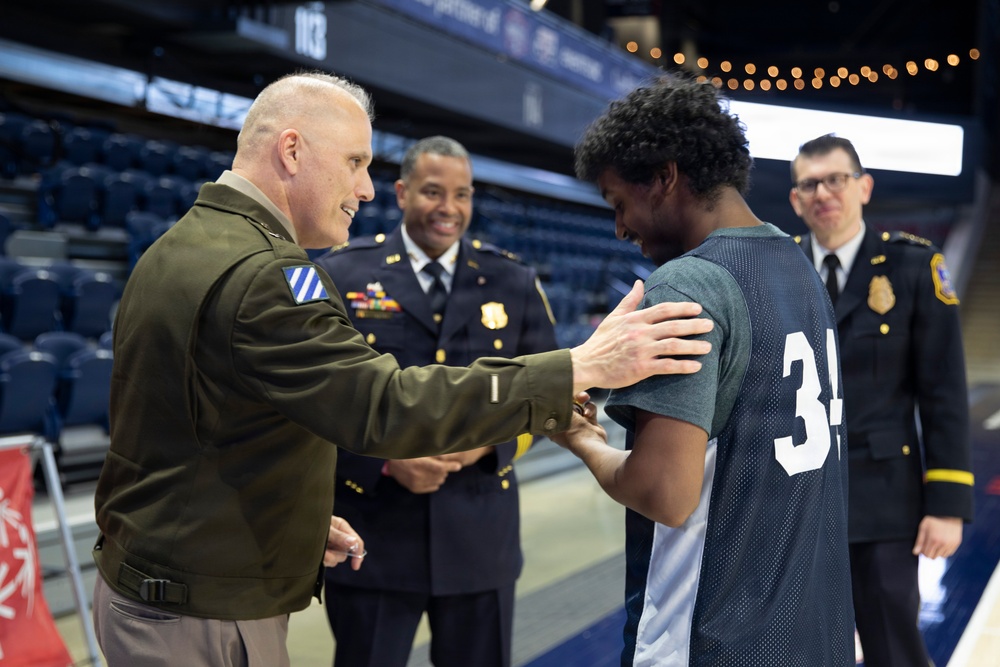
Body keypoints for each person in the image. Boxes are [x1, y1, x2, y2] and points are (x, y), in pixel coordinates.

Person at [89, 70, 715, 667]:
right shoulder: (267, 276)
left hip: (186, 579)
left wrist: (293, 522)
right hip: (203, 608)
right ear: (291, 151)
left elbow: (211, 427)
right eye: (355, 162)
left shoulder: (184, 244)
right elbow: (379, 405)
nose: (363, 188)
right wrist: (578, 366)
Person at [552, 76, 855, 666]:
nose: (619, 228)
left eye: (620, 203)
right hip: (814, 629)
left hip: (710, 636)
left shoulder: (688, 282)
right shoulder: (800, 265)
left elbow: (664, 493)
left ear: (664, 177)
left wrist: (583, 443)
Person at [314, 135, 555, 667]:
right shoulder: (344, 274)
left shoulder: (512, 281)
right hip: (372, 540)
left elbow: (546, 395)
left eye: (462, 194)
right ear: (400, 193)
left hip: (479, 539)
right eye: (432, 192)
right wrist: (380, 463)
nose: (449, 209)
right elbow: (313, 402)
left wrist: (484, 449)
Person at [789, 133, 974, 667]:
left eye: (836, 180)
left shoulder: (913, 268)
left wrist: (947, 505)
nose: (824, 192)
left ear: (863, 187)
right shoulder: (779, 271)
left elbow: (943, 392)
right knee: (800, 648)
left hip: (886, 501)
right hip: (796, 498)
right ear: (796, 199)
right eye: (810, 184)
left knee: (893, 646)